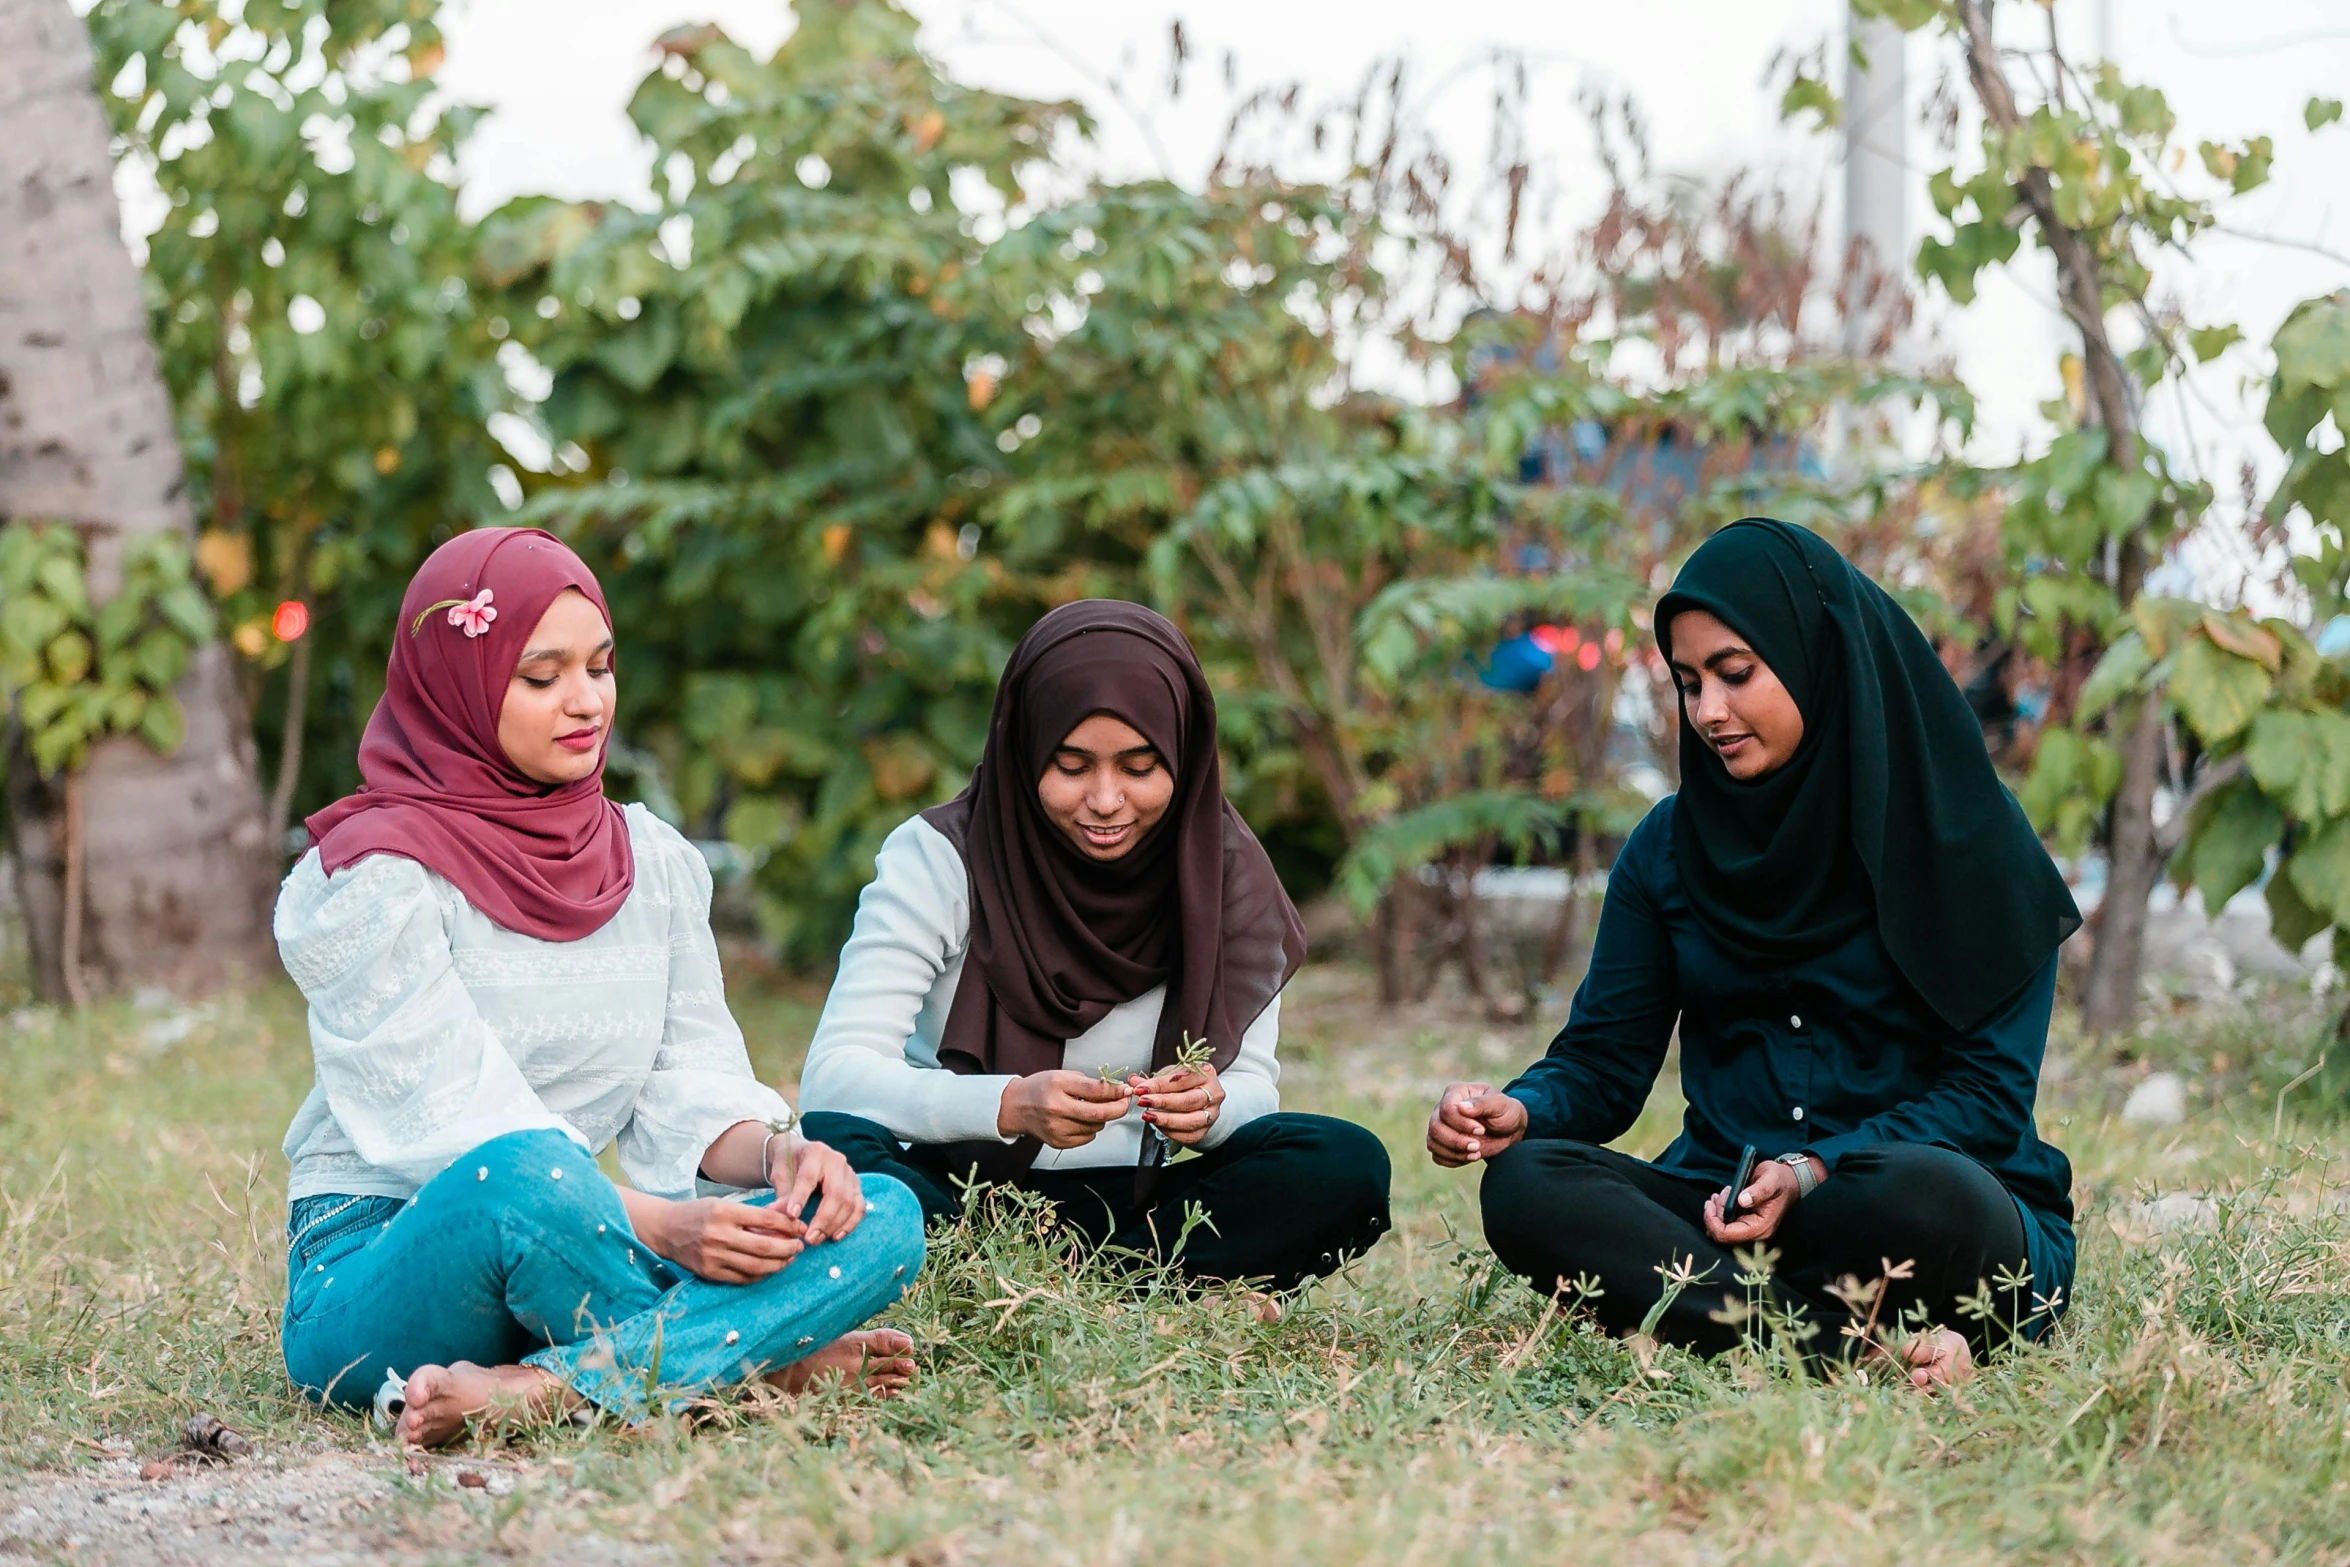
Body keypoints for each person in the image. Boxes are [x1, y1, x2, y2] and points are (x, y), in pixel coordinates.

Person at [275, 527, 925, 1448]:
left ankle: (545, 1388)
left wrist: (783, 1158)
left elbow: (691, 1087)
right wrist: (665, 1229)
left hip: (581, 1242)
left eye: (601, 665)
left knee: (881, 1207)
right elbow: (455, 1130)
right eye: (541, 676)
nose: (586, 701)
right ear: (455, 690)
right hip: (389, 1261)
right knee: (526, 1176)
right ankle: (750, 1363)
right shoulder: (377, 876)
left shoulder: (650, 861)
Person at [1427, 519, 2082, 1388]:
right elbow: (1605, 1064)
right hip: (1722, 1206)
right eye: (1689, 682)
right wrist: (1522, 1109)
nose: (1708, 712)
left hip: (1911, 1208)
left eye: (1736, 674)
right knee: (1526, 1185)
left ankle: (1731, 1320)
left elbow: (1988, 1099)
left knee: (1925, 1192)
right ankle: (1846, 1347)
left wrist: (1815, 1169)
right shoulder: (1669, 849)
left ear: (1820, 658)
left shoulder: (1966, 840)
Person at [799, 600, 1390, 1290]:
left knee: (1342, 1163)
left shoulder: (1224, 873)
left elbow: (1256, 1086)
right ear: (1024, 752)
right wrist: (1009, 1104)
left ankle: (1045, 1282)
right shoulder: (941, 856)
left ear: (1183, 758)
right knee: (831, 1138)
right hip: (948, 1191)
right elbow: (836, 1075)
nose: (1106, 800)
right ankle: (1028, 1271)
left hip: (1137, 1210)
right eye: (1072, 765)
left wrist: (1211, 1108)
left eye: (1139, 768)